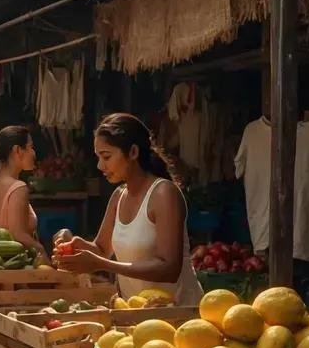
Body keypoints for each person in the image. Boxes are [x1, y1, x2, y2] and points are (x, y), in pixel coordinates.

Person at [54, 113, 203, 304]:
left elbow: (169, 269)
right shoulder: (119, 196)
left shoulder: (164, 194)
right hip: (137, 316)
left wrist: (101, 264)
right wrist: (74, 243)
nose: (100, 165)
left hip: (179, 316)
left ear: (133, 152)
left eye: (106, 156)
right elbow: (101, 249)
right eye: (98, 157)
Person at [0, 125, 46, 258]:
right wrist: (41, 250)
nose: (34, 153)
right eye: (31, 147)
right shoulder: (18, 188)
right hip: (14, 269)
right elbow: (18, 235)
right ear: (18, 150)